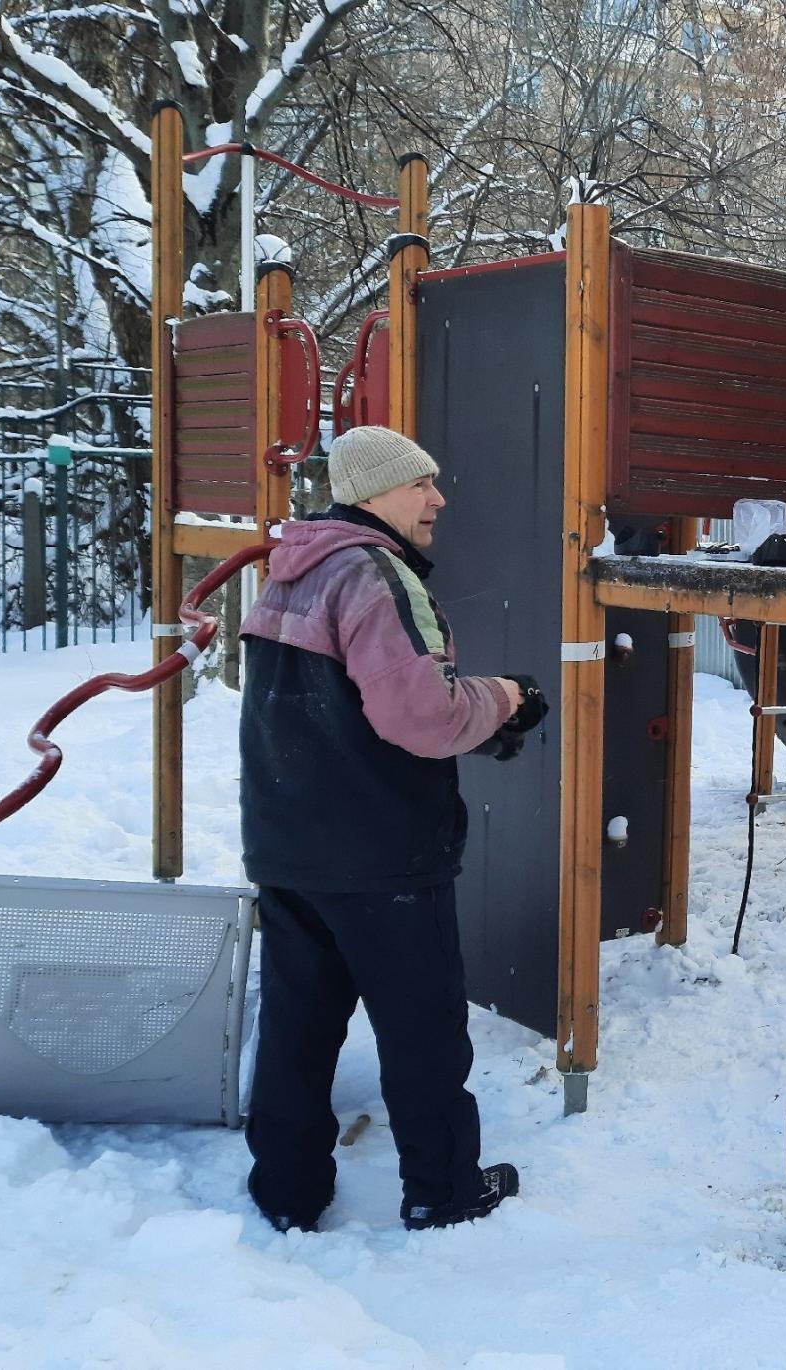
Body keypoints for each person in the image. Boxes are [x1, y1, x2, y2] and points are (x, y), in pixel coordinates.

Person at [238, 425, 548, 1231]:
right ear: (375, 491)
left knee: (297, 1030)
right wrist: (506, 698)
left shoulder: (292, 572)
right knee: (422, 1034)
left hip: (290, 844)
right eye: (422, 484)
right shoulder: (376, 574)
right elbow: (420, 714)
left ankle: (286, 1190)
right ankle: (443, 1191)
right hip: (380, 853)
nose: (438, 498)